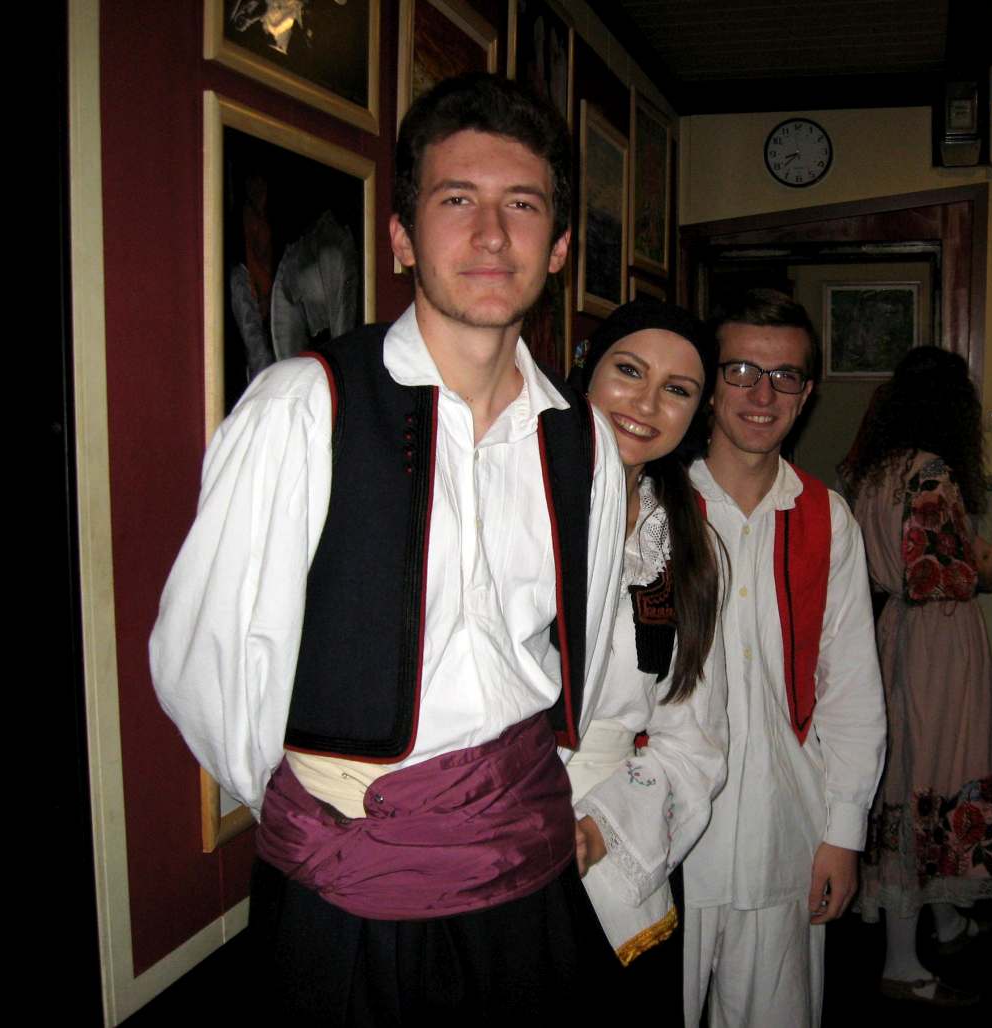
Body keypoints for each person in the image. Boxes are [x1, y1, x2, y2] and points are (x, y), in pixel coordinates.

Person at [149, 73, 625, 1024]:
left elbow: (594, 652)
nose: (491, 235)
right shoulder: (302, 408)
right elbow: (207, 668)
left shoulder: (583, 441)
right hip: (349, 887)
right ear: (402, 237)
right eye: (457, 201)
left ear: (559, 247)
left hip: (528, 877)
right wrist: (344, 812)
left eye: (521, 205)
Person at [681, 288, 887, 1028]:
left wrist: (843, 833)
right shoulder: (654, 506)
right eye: (740, 370)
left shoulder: (828, 520)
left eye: (784, 376)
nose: (761, 395)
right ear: (710, 386)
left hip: (784, 832)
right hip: (668, 839)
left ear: (807, 393)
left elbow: (852, 689)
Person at [565, 299, 728, 1023]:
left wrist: (598, 830)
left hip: (610, 842)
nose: (646, 403)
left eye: (677, 389)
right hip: (491, 835)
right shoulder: (507, 509)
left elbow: (693, 740)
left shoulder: (686, 547)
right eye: (629, 372)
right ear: (587, 374)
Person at [848, 346, 992, 1007]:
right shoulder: (931, 472)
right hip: (938, 640)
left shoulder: (877, 470)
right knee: (929, 777)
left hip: (899, 633)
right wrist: (983, 568)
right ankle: (902, 963)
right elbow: (931, 573)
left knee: (919, 769)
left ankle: (942, 919)